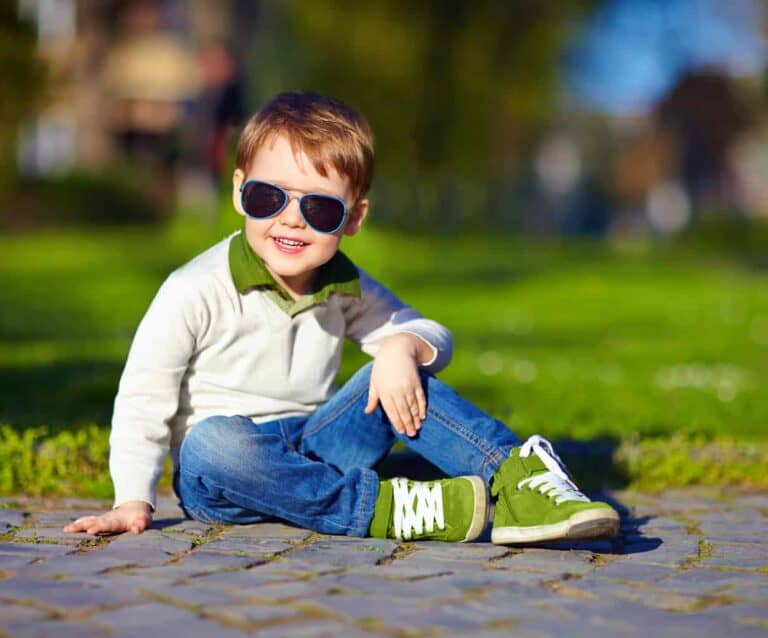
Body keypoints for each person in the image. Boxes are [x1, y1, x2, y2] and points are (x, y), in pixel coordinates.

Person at [65, 92, 619, 544]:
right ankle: (388, 509)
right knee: (212, 444)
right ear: (238, 193)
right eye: (268, 198)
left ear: (352, 219)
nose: (291, 221)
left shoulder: (342, 285)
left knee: (401, 372)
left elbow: (431, 335)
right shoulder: (193, 289)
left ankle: (521, 480)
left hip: (314, 444)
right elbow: (143, 397)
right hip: (225, 477)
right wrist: (132, 500)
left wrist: (401, 349)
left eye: (320, 208)